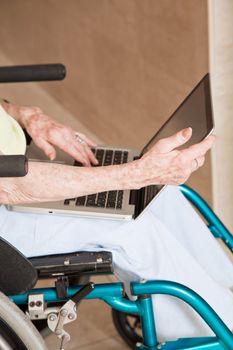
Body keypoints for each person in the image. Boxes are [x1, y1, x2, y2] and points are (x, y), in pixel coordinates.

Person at [0, 100, 232, 341]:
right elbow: (10, 187)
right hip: (6, 210)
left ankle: (221, 293)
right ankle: (215, 334)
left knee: (161, 191)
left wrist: (26, 115)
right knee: (132, 231)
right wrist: (135, 174)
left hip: (15, 161)